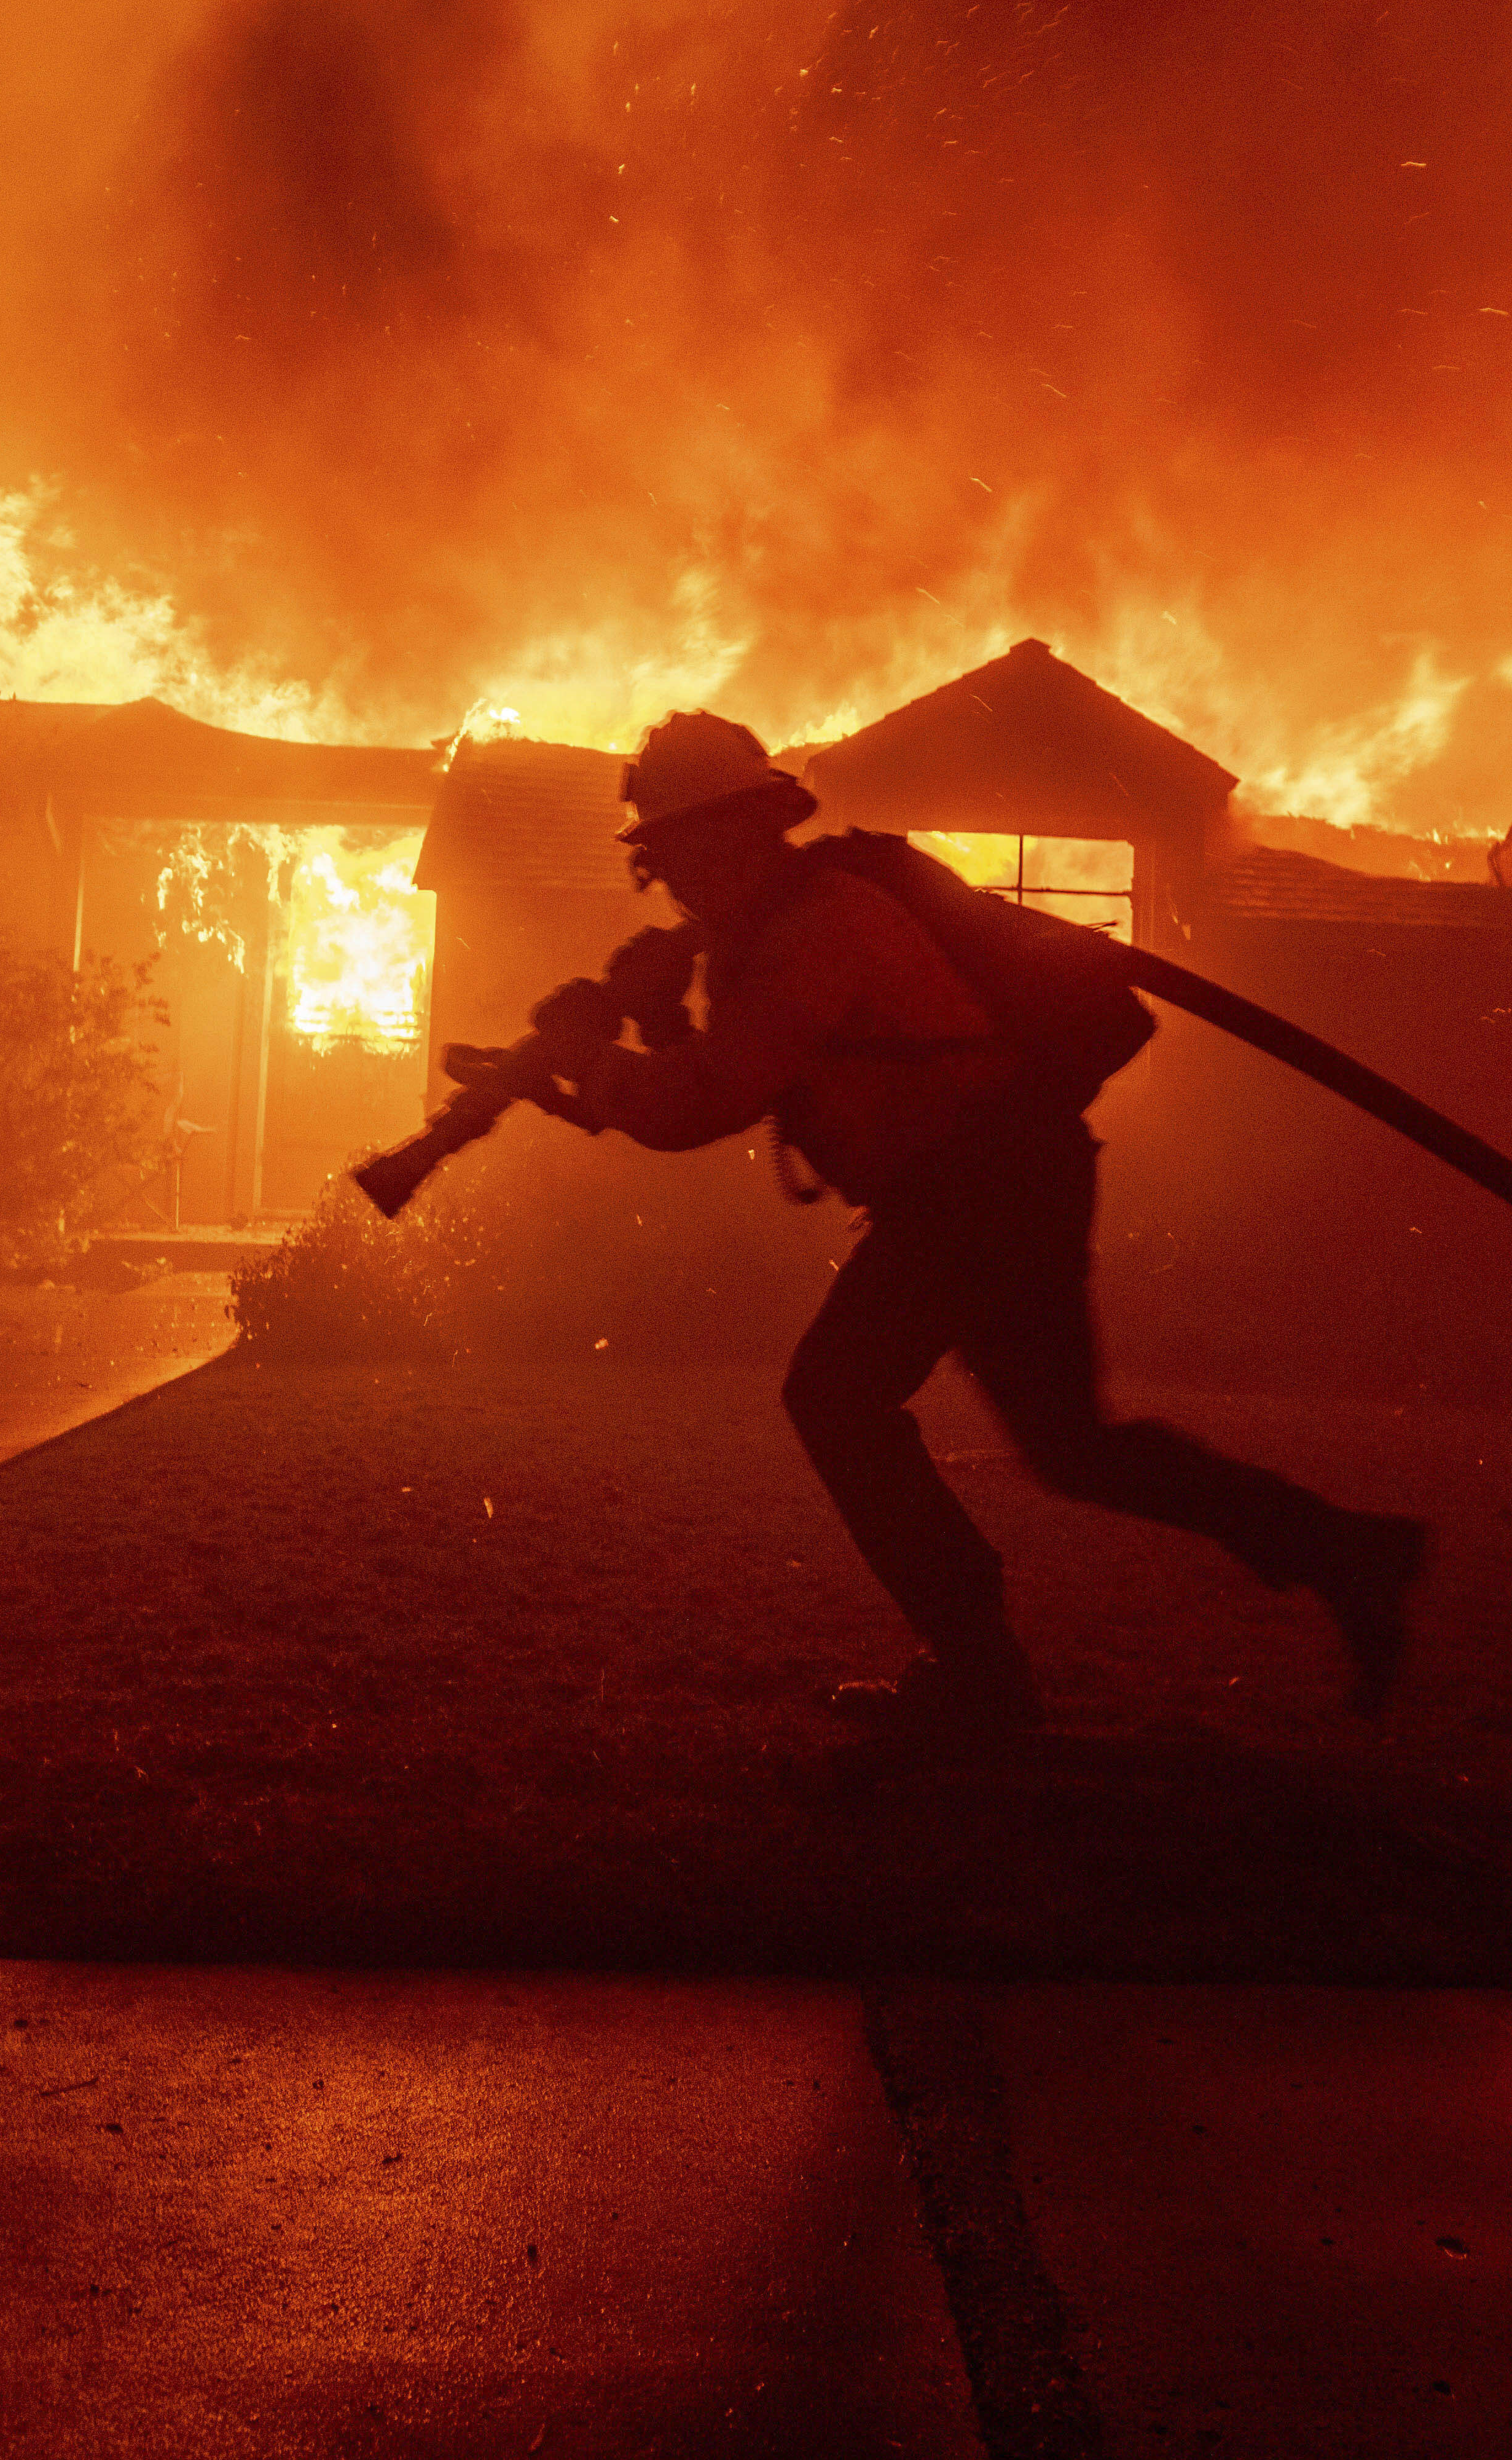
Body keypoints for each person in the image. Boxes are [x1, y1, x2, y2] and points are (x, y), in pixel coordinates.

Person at [532, 711, 1428, 1748]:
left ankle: (980, 1676)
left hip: (979, 1189)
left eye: (684, 850)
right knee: (1071, 1449)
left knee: (835, 1398)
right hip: (998, 1182)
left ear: (745, 830)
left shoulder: (817, 929)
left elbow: (701, 1105)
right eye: (664, 861)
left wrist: (586, 1058)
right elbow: (721, 1075)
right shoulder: (774, 928)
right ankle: (1346, 1553)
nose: (679, 881)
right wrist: (652, 1021)